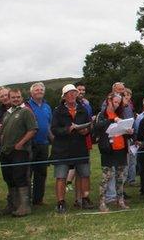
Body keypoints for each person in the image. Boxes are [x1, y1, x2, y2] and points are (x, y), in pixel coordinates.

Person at [50, 84, 94, 213]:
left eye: (74, 93)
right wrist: (67, 130)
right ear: (64, 97)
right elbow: (54, 129)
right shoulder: (58, 111)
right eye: (69, 94)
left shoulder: (83, 109)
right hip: (62, 148)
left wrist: (85, 131)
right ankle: (60, 202)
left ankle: (85, 199)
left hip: (80, 147)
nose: (72, 95)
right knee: (61, 176)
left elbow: (89, 127)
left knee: (85, 174)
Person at [0, 88, 38, 217]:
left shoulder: (26, 111)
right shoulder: (7, 113)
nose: (15, 99)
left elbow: (32, 130)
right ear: (9, 99)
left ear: (21, 97)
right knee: (9, 178)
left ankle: (25, 206)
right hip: (6, 152)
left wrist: (20, 143)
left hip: (20, 151)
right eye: (13, 97)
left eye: (18, 97)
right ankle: (13, 205)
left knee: (20, 177)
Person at [94, 93, 133, 212]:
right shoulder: (102, 114)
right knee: (106, 176)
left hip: (120, 148)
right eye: (114, 102)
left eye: (118, 103)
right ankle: (102, 202)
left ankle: (120, 200)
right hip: (108, 150)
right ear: (109, 101)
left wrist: (128, 131)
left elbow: (123, 128)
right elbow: (97, 128)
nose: (116, 105)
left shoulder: (120, 113)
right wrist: (111, 119)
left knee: (120, 177)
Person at [25, 82, 53, 206]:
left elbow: (49, 125)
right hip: (30, 144)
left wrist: (53, 140)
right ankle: (26, 199)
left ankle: (38, 200)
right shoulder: (25, 106)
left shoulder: (47, 106)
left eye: (41, 90)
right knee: (27, 172)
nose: (39, 91)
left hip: (44, 144)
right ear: (31, 93)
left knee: (41, 173)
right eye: (36, 90)